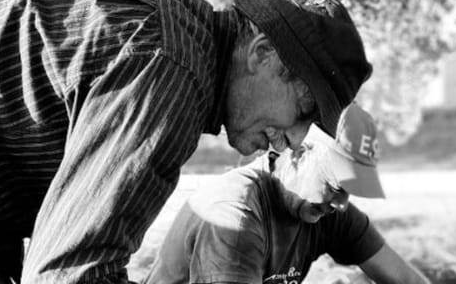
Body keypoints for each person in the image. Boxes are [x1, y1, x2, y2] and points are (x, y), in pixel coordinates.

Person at [0, 0, 373, 281]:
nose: (293, 141)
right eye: (303, 111)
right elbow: (73, 272)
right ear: (262, 54)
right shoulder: (173, 72)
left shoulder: (180, 45)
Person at [144, 104, 430, 284]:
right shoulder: (234, 216)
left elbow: (406, 279)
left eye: (351, 191)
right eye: (337, 187)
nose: (342, 204)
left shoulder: (325, 209)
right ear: (298, 154)